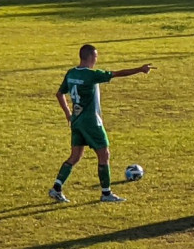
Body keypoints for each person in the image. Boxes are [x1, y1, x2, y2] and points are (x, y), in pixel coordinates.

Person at [49, 45, 154, 203]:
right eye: (96, 57)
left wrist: (68, 115)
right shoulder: (92, 75)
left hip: (76, 121)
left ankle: (56, 189)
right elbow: (118, 73)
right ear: (91, 57)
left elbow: (59, 94)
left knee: (75, 156)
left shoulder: (71, 73)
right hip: (91, 121)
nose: (97, 59)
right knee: (104, 154)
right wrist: (140, 69)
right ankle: (106, 194)